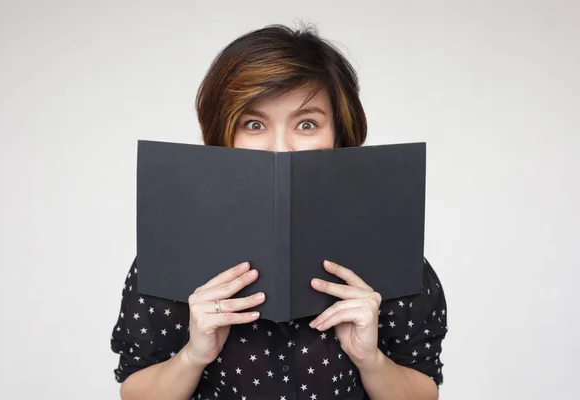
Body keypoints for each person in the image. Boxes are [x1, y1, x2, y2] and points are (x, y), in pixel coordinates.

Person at [110, 24, 448, 400]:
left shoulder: (389, 252)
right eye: (253, 124)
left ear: (339, 133)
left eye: (307, 124)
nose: (281, 148)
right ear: (223, 133)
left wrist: (370, 359)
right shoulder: (174, 250)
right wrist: (193, 355)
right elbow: (134, 390)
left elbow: (424, 390)